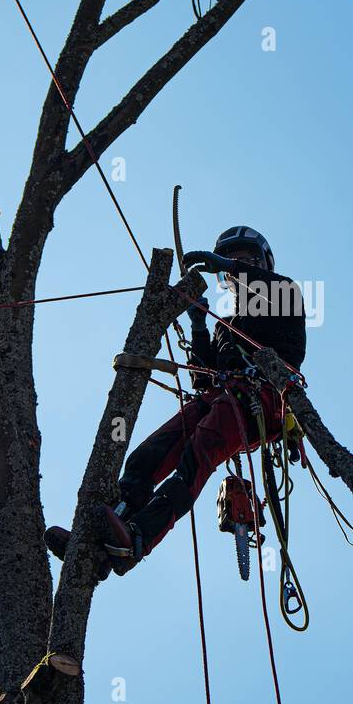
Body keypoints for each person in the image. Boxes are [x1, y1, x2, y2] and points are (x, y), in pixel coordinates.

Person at [44, 226, 306, 576]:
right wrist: (199, 323)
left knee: (195, 459)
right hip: (220, 396)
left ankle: (139, 539)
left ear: (259, 266)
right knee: (146, 457)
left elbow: (271, 291)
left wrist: (222, 262)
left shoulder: (285, 295)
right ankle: (103, 537)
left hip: (260, 400)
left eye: (244, 261)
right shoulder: (225, 326)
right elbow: (202, 376)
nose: (236, 268)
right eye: (233, 263)